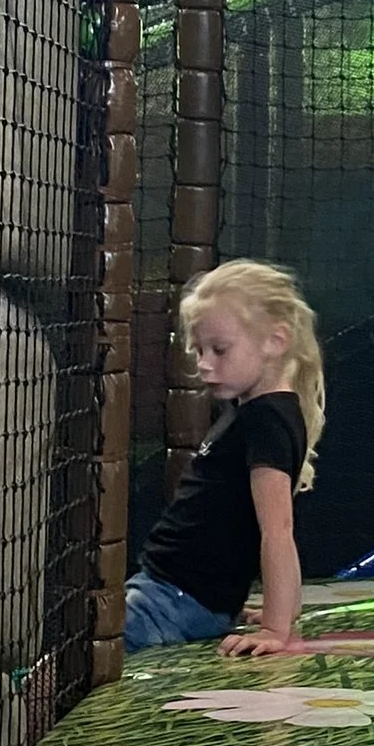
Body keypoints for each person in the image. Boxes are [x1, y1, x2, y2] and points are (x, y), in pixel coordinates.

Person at [126, 260, 324, 659]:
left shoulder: (267, 420)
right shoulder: (256, 411)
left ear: (275, 341)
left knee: (60, 672)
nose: (204, 363)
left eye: (220, 349)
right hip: (172, 595)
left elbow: (279, 530)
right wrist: (281, 609)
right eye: (199, 350)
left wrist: (275, 627)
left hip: (172, 600)